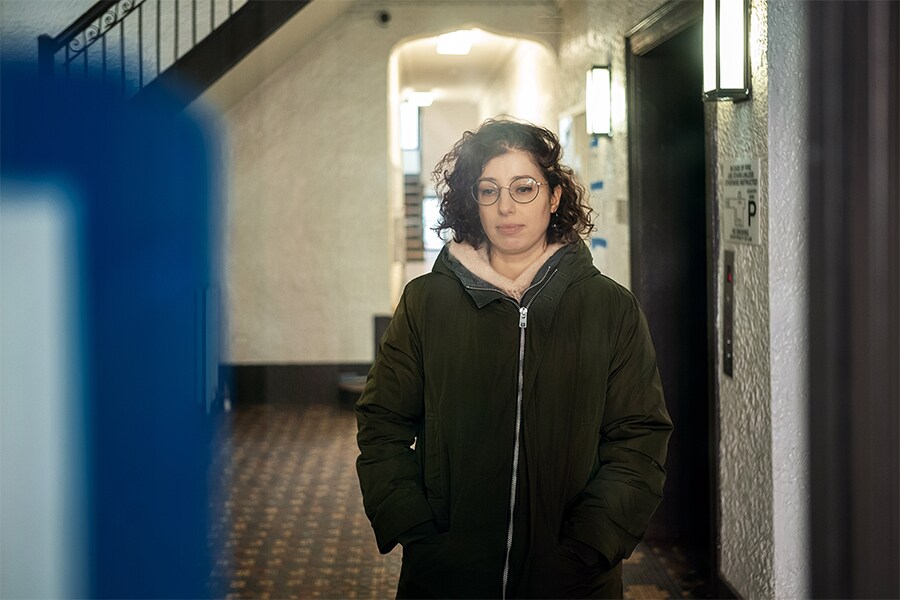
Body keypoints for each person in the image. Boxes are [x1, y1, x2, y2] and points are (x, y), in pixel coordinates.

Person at [356, 118, 672, 599]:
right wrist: (415, 527)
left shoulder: (610, 308)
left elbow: (639, 438)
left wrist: (592, 544)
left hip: (572, 581)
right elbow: (382, 423)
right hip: (446, 577)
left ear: (555, 196)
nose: (506, 206)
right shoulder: (426, 302)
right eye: (488, 190)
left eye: (524, 188)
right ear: (472, 202)